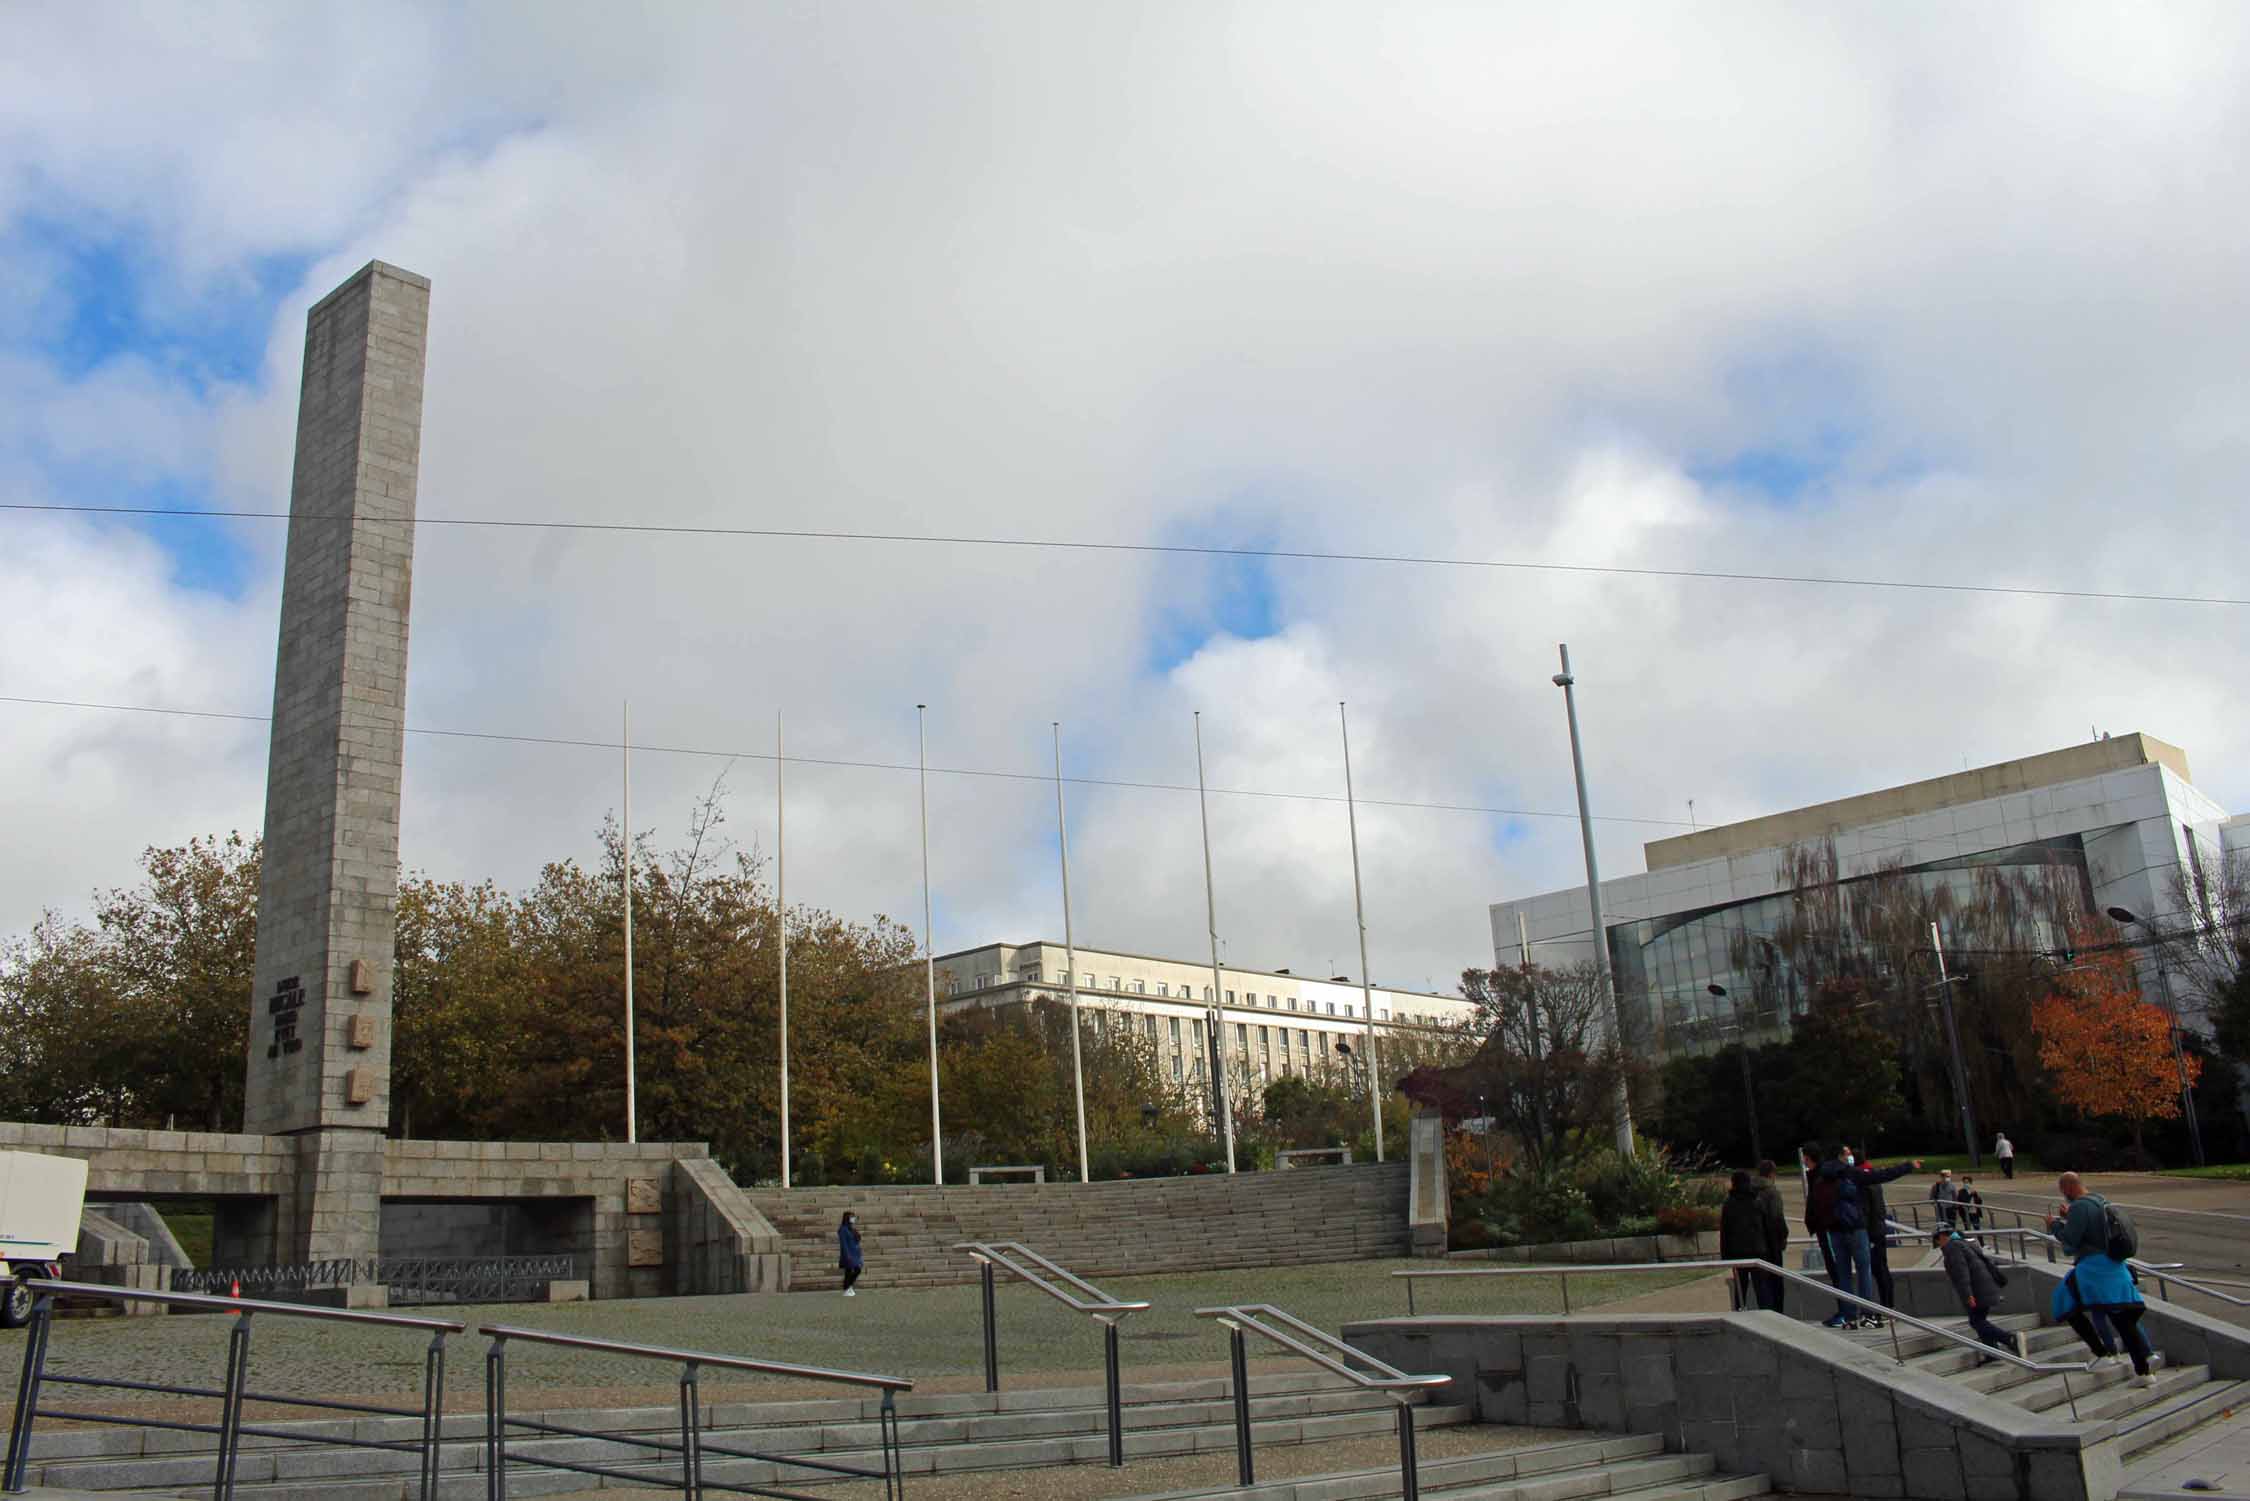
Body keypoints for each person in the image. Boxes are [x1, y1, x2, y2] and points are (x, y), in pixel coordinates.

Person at [2047, 1172, 2157, 1387]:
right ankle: (2143, 1369)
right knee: (2122, 1318)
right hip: (2114, 1266)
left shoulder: (2079, 1206)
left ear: (2068, 1188)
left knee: (2064, 1302)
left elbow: (2071, 1241)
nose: (2064, 1196)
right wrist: (2069, 1218)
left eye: (2063, 1191)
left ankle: (2103, 1352)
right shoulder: (2100, 1201)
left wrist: (2054, 1225)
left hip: (2093, 1268)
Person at [1813, 1144, 1923, 1330]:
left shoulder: (1821, 1177)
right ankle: (1867, 1314)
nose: (1850, 1157)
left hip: (1834, 1231)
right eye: (1847, 1154)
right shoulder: (1850, 1173)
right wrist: (1907, 1166)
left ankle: (1849, 1318)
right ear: (1840, 1156)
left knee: (1844, 1274)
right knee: (1864, 1271)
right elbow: (1880, 1176)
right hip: (1856, 1229)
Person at [1934, 1224, 2025, 1363]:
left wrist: (1968, 1294)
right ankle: (1992, 1352)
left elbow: (1961, 1273)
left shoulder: (1952, 1248)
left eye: (1937, 1240)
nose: (1938, 1244)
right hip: (1984, 1287)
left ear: (1941, 1236)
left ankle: (2009, 1339)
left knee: (1976, 1321)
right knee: (1978, 1319)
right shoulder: (1962, 1243)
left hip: (1977, 1290)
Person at [1721, 1168, 1787, 1312]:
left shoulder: (1729, 1204)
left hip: (1737, 1252)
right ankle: (1768, 1314)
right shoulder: (1757, 1201)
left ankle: (1740, 1313)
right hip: (1759, 1250)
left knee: (1740, 1290)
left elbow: (1725, 1232)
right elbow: (1766, 1227)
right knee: (1763, 1289)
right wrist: (1772, 1248)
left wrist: (1725, 1255)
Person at [837, 1210, 864, 1297]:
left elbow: (856, 1240)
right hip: (848, 1253)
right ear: (847, 1218)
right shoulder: (843, 1229)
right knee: (854, 1270)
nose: (853, 1219)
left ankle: (848, 1287)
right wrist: (847, 1255)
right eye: (852, 1217)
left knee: (852, 1271)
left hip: (855, 1253)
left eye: (854, 1217)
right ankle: (847, 1287)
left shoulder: (851, 1228)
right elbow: (843, 1243)